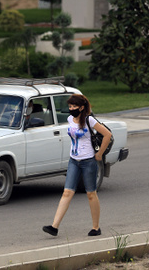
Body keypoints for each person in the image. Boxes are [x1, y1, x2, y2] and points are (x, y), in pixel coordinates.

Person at [42, 93, 112, 237]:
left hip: (88, 162)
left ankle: (96, 227)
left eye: (74, 106)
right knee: (67, 192)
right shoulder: (70, 119)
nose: (71, 108)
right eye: (70, 106)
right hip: (73, 160)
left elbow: (107, 135)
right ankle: (54, 226)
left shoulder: (89, 120)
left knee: (91, 194)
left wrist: (99, 155)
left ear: (81, 107)